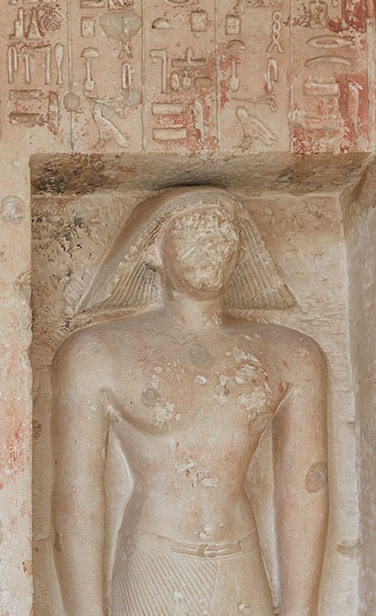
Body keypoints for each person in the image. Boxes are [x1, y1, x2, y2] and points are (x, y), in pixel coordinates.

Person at [52, 188, 328, 616]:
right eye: (194, 229)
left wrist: (301, 611)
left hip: (240, 560)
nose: (211, 242)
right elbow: (78, 499)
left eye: (224, 231)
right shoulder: (97, 354)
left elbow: (305, 489)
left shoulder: (292, 355)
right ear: (152, 250)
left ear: (241, 251)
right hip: (154, 562)